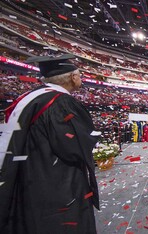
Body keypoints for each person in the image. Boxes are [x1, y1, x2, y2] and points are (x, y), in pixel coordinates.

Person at [0, 54, 99, 233]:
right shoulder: (61, 102)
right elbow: (73, 147)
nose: (81, 78)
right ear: (72, 77)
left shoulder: (32, 96)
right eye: (80, 74)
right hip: (56, 181)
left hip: (30, 173)